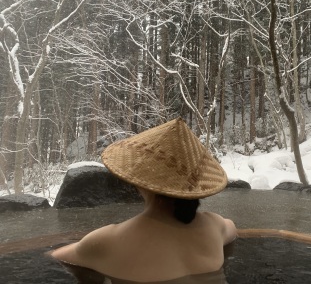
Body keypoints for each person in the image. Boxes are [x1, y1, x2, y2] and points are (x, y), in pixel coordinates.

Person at [51, 118, 237, 283]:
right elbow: (232, 229)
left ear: (141, 182)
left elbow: (55, 258)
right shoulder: (215, 226)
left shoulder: (107, 241)